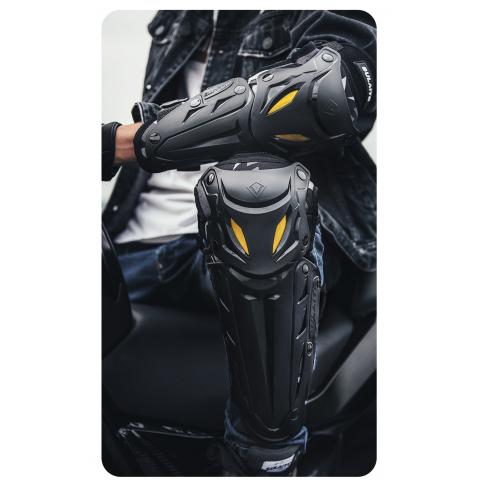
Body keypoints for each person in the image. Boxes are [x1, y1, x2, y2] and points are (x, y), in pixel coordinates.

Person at [102, 10, 376, 475]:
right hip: (134, 239)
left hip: (255, 236)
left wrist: (125, 142)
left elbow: (321, 92)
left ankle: (266, 457)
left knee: (259, 195)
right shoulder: (180, 16)